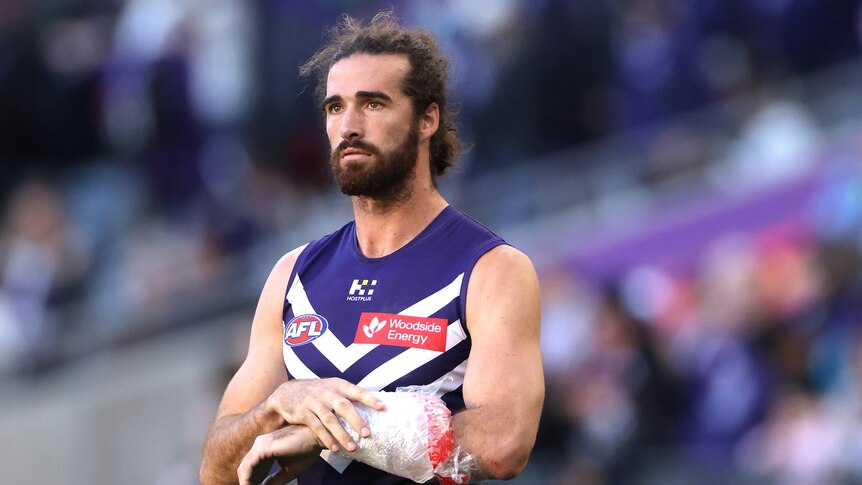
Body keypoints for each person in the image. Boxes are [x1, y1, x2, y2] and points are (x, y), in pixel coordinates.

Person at [199, 11, 544, 485]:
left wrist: (332, 431)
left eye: (373, 104)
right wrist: (275, 409)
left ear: (427, 119)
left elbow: (503, 444)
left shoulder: (491, 270)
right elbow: (215, 471)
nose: (349, 126)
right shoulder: (292, 275)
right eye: (335, 108)